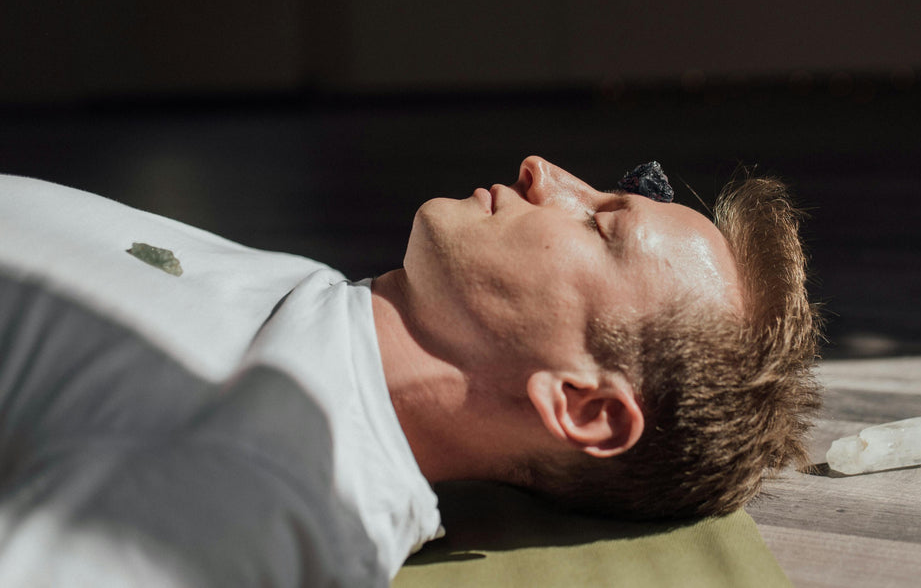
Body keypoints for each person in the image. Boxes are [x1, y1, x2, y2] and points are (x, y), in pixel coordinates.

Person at [0, 156, 819, 587]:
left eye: (601, 224)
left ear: (582, 406)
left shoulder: (274, 481)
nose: (542, 172)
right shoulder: (329, 320)